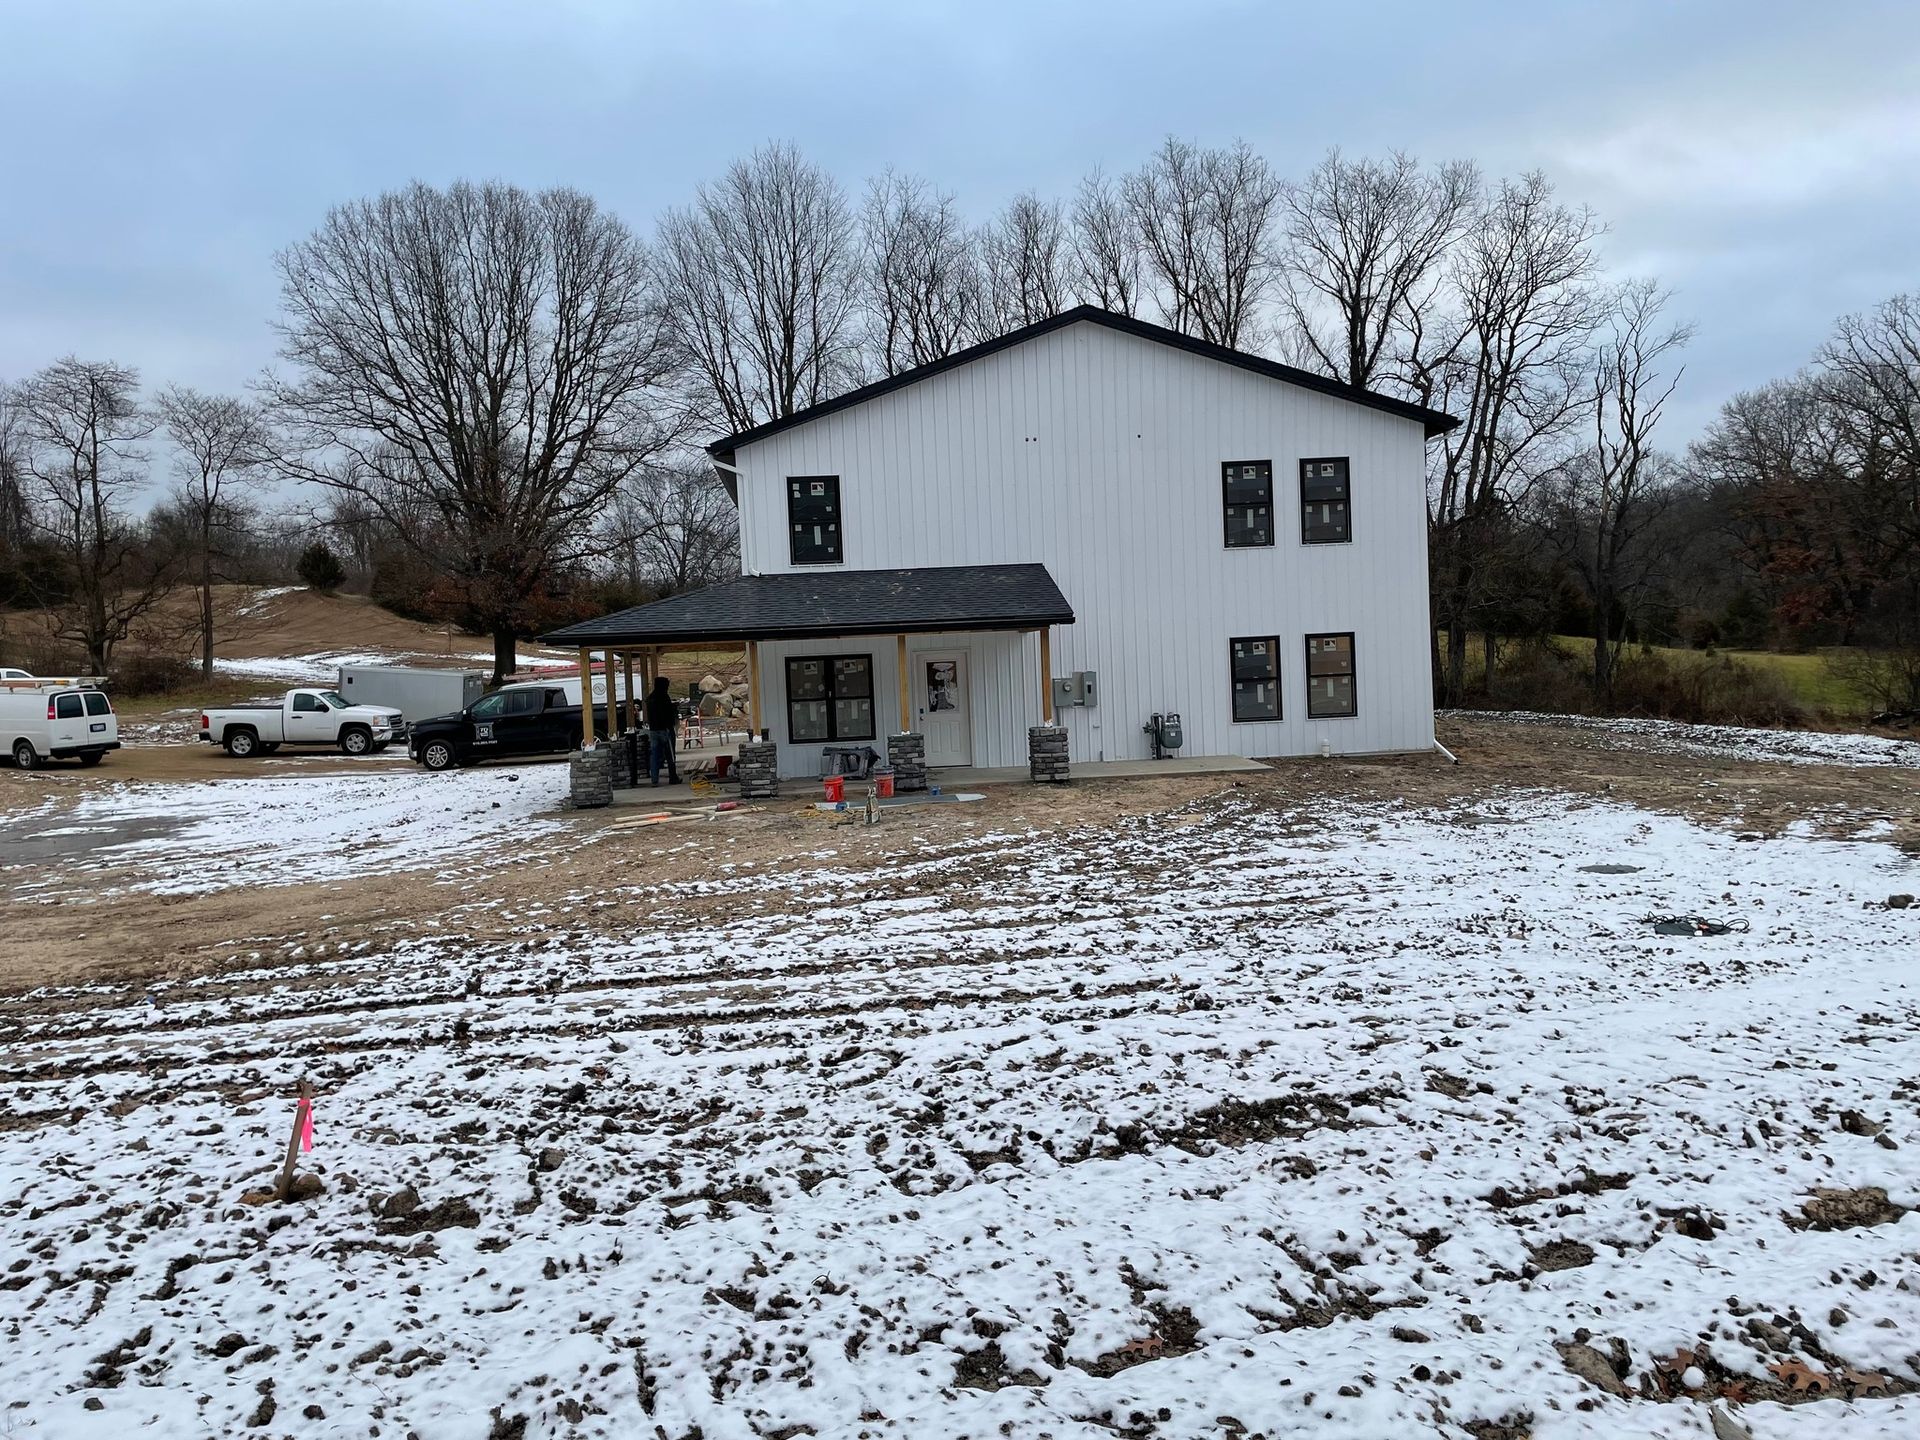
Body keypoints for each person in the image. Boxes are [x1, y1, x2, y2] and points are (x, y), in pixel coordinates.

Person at [644, 674, 681, 786]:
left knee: (654, 755)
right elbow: (668, 713)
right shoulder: (664, 697)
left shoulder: (650, 698)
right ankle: (673, 776)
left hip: (653, 730)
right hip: (665, 730)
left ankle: (654, 780)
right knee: (670, 754)